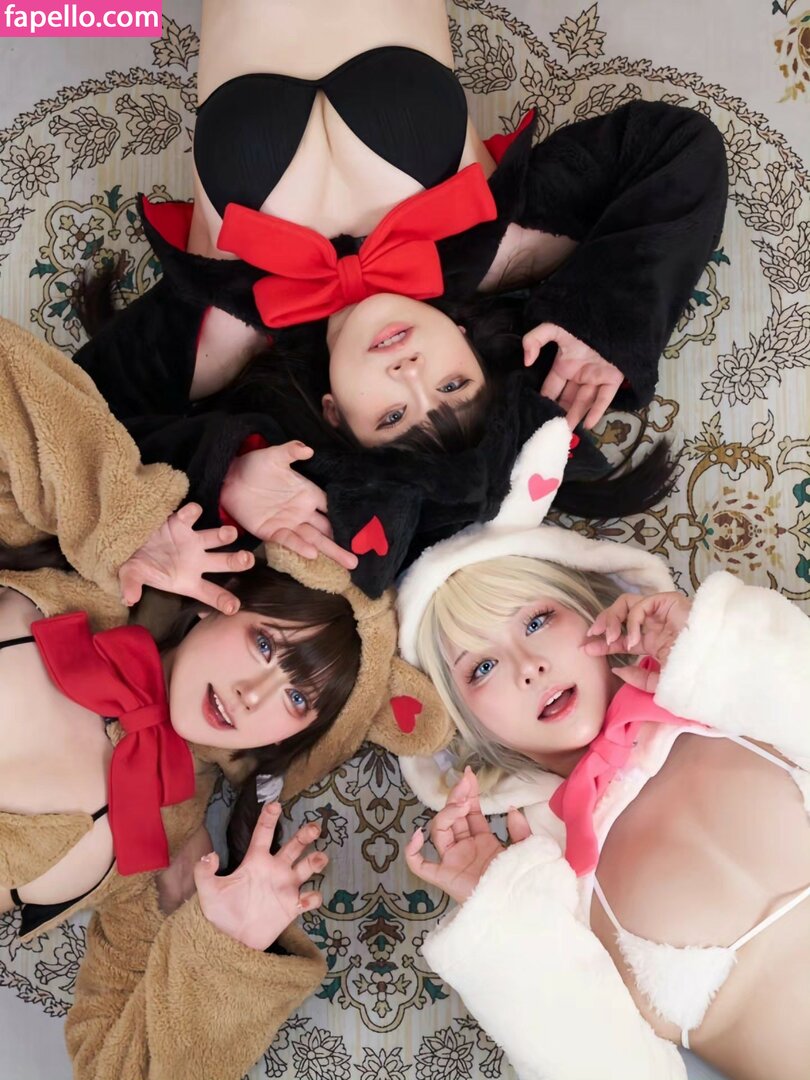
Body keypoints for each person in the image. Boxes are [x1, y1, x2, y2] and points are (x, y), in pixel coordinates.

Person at [71, 0, 728, 595]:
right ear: (470, 346)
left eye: (391, 416)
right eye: (452, 385)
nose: (410, 372)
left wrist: (224, 473)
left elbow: (71, 420)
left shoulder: (225, 328)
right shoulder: (496, 244)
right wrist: (603, 319)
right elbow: (676, 147)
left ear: (334, 415)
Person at [0, 315, 451, 952]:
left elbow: (122, 1024)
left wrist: (229, 941)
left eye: (297, 698)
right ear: (217, 606)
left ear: (292, 740)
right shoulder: (75, 575)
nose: (250, 694)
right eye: (264, 645)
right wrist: (127, 525)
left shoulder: (179, 853)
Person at [395, 418, 810, 1080]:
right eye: (482, 667)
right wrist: (505, 910)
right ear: (467, 726)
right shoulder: (551, 882)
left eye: (537, 620)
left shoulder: (735, 694)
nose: (528, 665)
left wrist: (713, 647)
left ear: (591, 606)